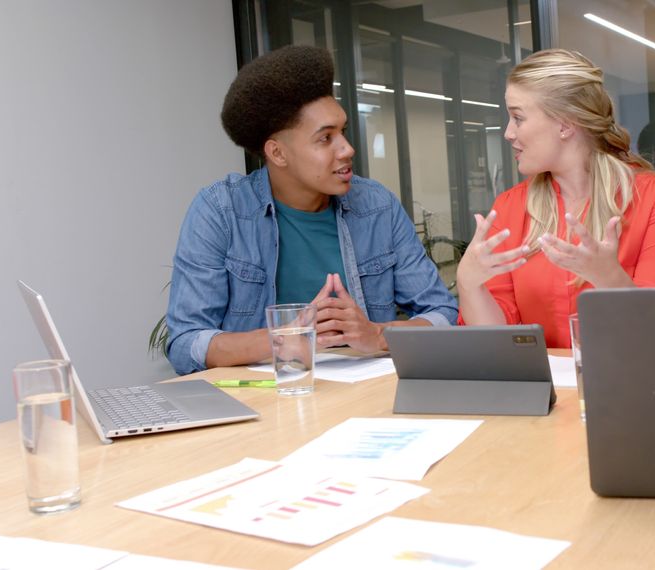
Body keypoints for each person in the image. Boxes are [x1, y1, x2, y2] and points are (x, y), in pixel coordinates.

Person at [165, 45, 458, 375]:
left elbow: (443, 313)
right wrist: (287, 337)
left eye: (343, 132)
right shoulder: (220, 211)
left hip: (362, 398)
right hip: (268, 402)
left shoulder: (377, 206)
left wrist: (377, 334)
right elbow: (187, 343)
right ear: (277, 154)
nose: (347, 149)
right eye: (325, 139)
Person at [456, 49, 655, 348]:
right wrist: (468, 283)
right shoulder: (509, 207)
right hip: (542, 392)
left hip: (629, 385)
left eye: (518, 118)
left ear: (565, 124)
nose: (508, 133)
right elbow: (498, 342)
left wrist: (609, 279)